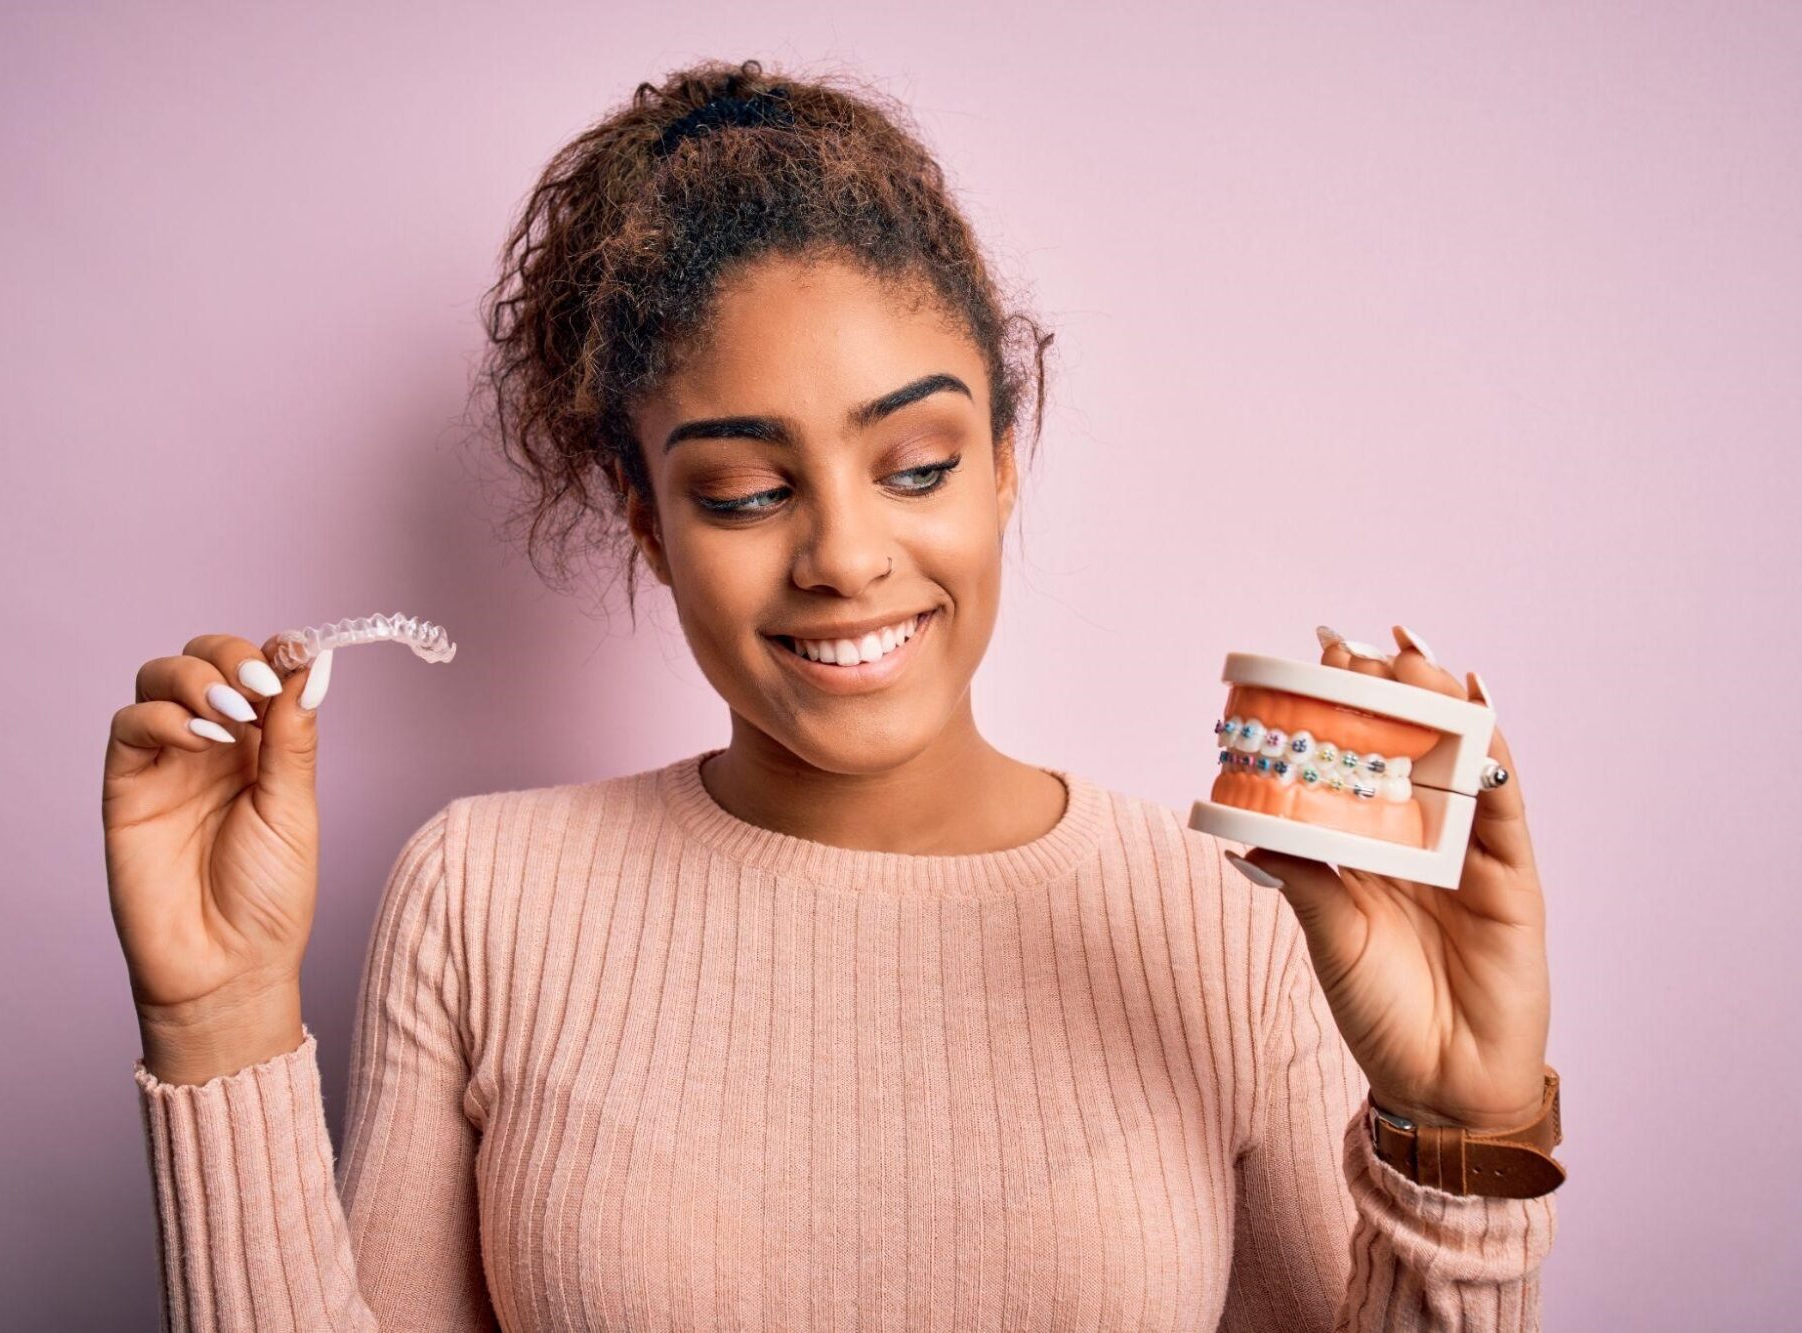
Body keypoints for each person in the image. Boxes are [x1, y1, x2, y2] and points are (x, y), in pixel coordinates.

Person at [103, 58, 1561, 1332]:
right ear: (644, 518)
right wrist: (220, 1015)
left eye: (918, 465)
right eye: (744, 489)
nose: (849, 556)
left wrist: (1463, 1134)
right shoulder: (481, 897)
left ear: (1004, 461)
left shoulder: (1232, 923)